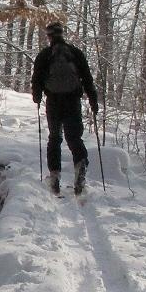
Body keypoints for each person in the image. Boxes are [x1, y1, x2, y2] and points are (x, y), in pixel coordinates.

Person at [31, 22, 100, 195]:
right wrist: (93, 100)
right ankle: (80, 168)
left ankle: (54, 177)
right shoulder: (75, 53)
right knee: (74, 138)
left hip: (54, 102)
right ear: (62, 34)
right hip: (72, 102)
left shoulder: (45, 55)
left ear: (49, 36)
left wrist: (37, 97)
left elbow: (36, 79)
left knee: (54, 138)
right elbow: (87, 78)